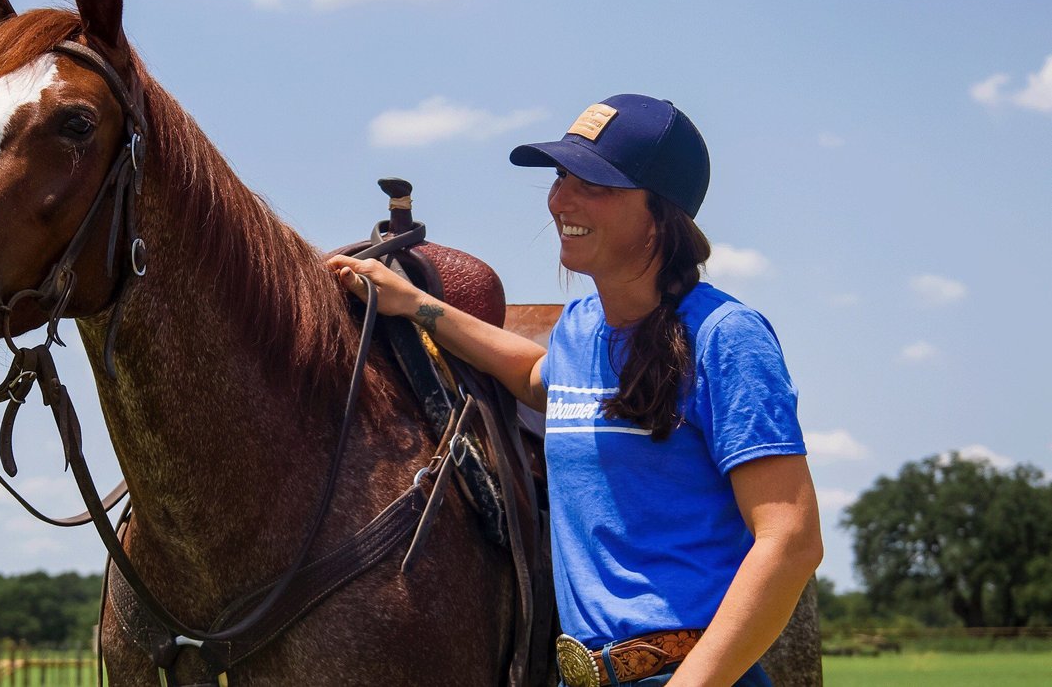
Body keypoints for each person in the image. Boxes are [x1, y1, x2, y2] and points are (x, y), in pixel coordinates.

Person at [327, 94, 822, 686]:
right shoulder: (583, 325)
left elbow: (791, 539)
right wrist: (417, 305)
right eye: (562, 176)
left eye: (595, 183)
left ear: (661, 213)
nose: (561, 199)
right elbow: (537, 379)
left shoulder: (726, 337)